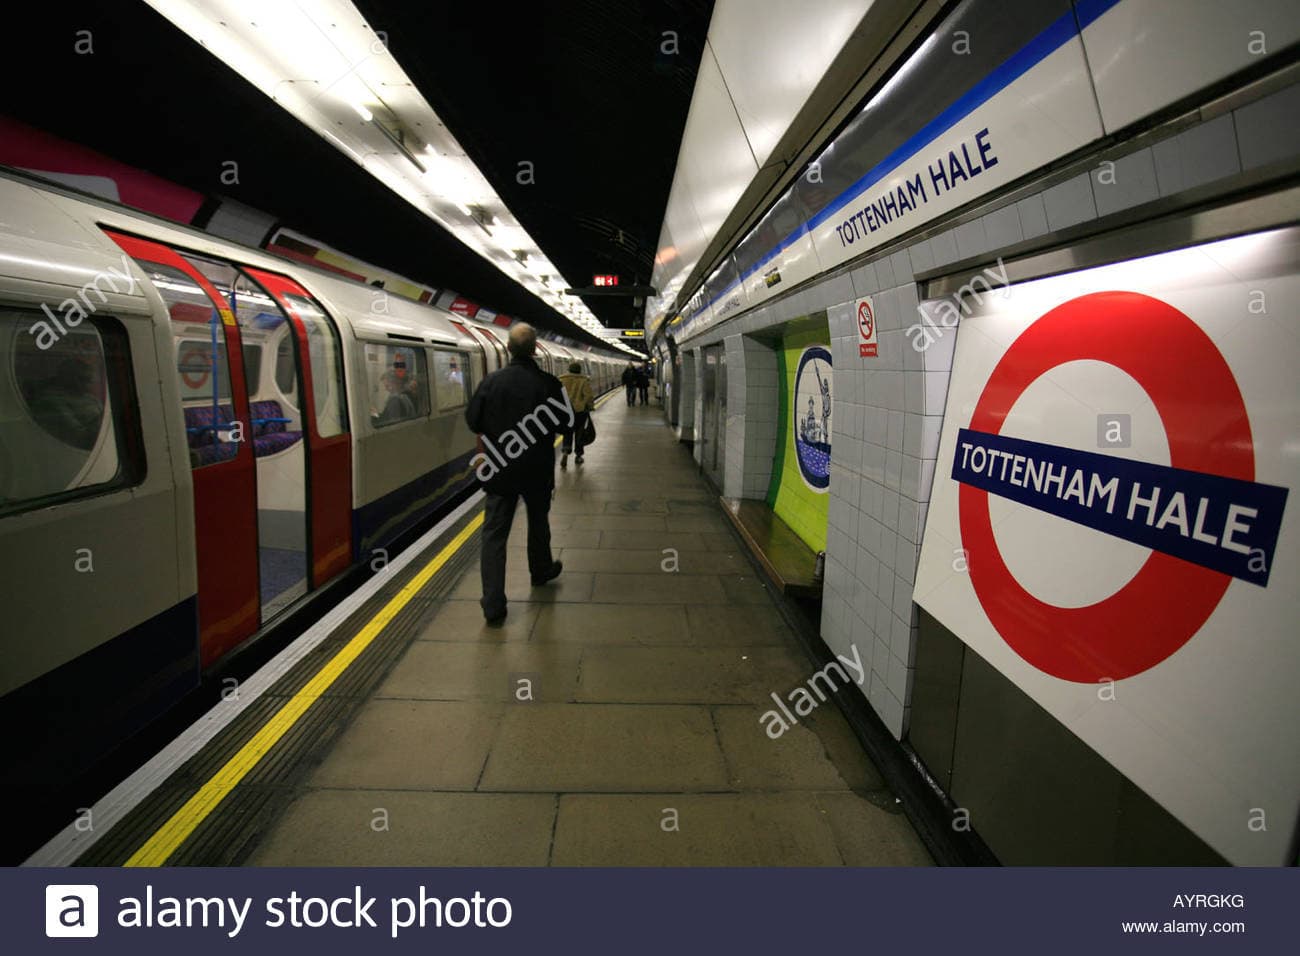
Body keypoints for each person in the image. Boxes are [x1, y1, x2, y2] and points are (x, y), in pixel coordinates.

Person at [465, 323, 565, 626]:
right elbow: (565, 425)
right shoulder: (548, 384)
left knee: (494, 534)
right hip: (537, 469)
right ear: (535, 349)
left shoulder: (491, 382)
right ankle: (540, 570)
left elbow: (473, 421)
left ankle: (493, 604)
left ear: (509, 348)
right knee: (538, 521)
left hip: (500, 470)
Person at [558, 360, 593, 468]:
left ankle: (565, 452)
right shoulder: (583, 380)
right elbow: (588, 396)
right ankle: (578, 456)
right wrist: (589, 406)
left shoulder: (561, 379)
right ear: (579, 371)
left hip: (566, 411)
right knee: (579, 433)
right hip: (579, 411)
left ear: (569, 369)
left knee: (567, 432)